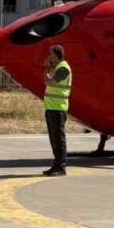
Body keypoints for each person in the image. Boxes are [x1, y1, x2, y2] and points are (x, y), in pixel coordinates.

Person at [42, 44, 72, 177]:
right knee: (54, 139)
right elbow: (47, 80)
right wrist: (48, 68)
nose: (49, 56)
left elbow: (50, 82)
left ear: (57, 55)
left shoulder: (63, 68)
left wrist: (47, 69)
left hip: (58, 108)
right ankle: (56, 164)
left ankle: (61, 166)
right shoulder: (56, 68)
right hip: (51, 108)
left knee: (59, 139)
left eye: (51, 54)